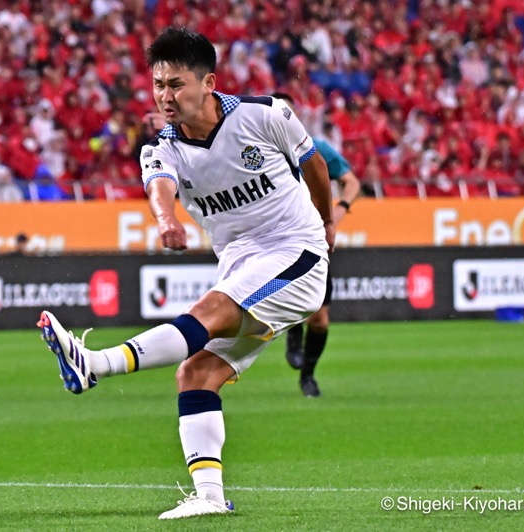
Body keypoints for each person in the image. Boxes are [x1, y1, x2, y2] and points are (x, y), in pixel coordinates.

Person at [37, 28, 334, 520]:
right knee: (196, 374)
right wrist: (166, 219)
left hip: (295, 253)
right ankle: (210, 497)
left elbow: (315, 165)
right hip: (243, 263)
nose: (165, 96)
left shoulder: (264, 114)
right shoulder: (163, 146)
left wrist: (325, 225)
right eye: (158, 85)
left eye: (176, 84)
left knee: (208, 314)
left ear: (209, 82)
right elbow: (160, 184)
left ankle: (95, 365)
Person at [273, 93, 362, 398]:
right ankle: (293, 334)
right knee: (293, 306)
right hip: (277, 240)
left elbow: (351, 181)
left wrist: (337, 212)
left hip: (313, 238)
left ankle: (308, 376)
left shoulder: (315, 148)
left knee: (320, 318)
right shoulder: (261, 151)